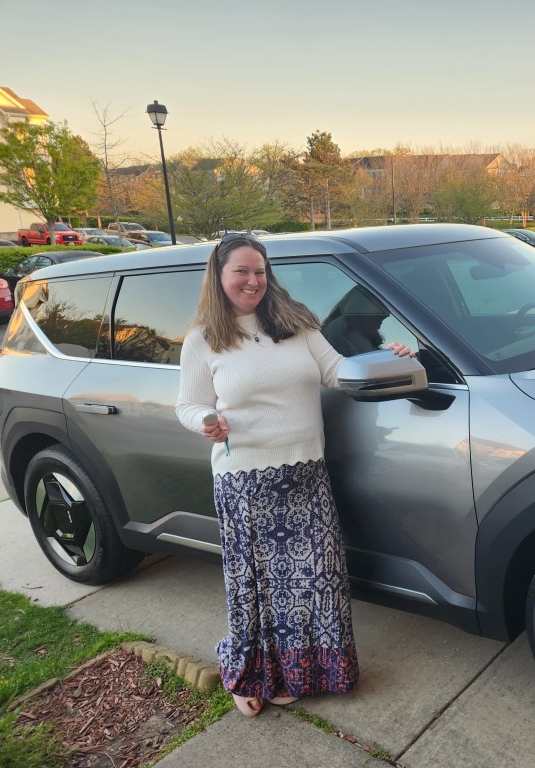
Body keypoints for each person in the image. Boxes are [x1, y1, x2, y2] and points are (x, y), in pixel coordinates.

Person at [175, 232, 413, 717]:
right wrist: (205, 420)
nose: (252, 280)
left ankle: (307, 674)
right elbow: (188, 403)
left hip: (306, 475)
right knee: (258, 589)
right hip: (246, 482)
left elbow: (337, 370)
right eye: (241, 271)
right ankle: (250, 675)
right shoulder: (204, 338)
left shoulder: (295, 322)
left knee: (315, 584)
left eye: (259, 271)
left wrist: (388, 357)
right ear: (219, 277)